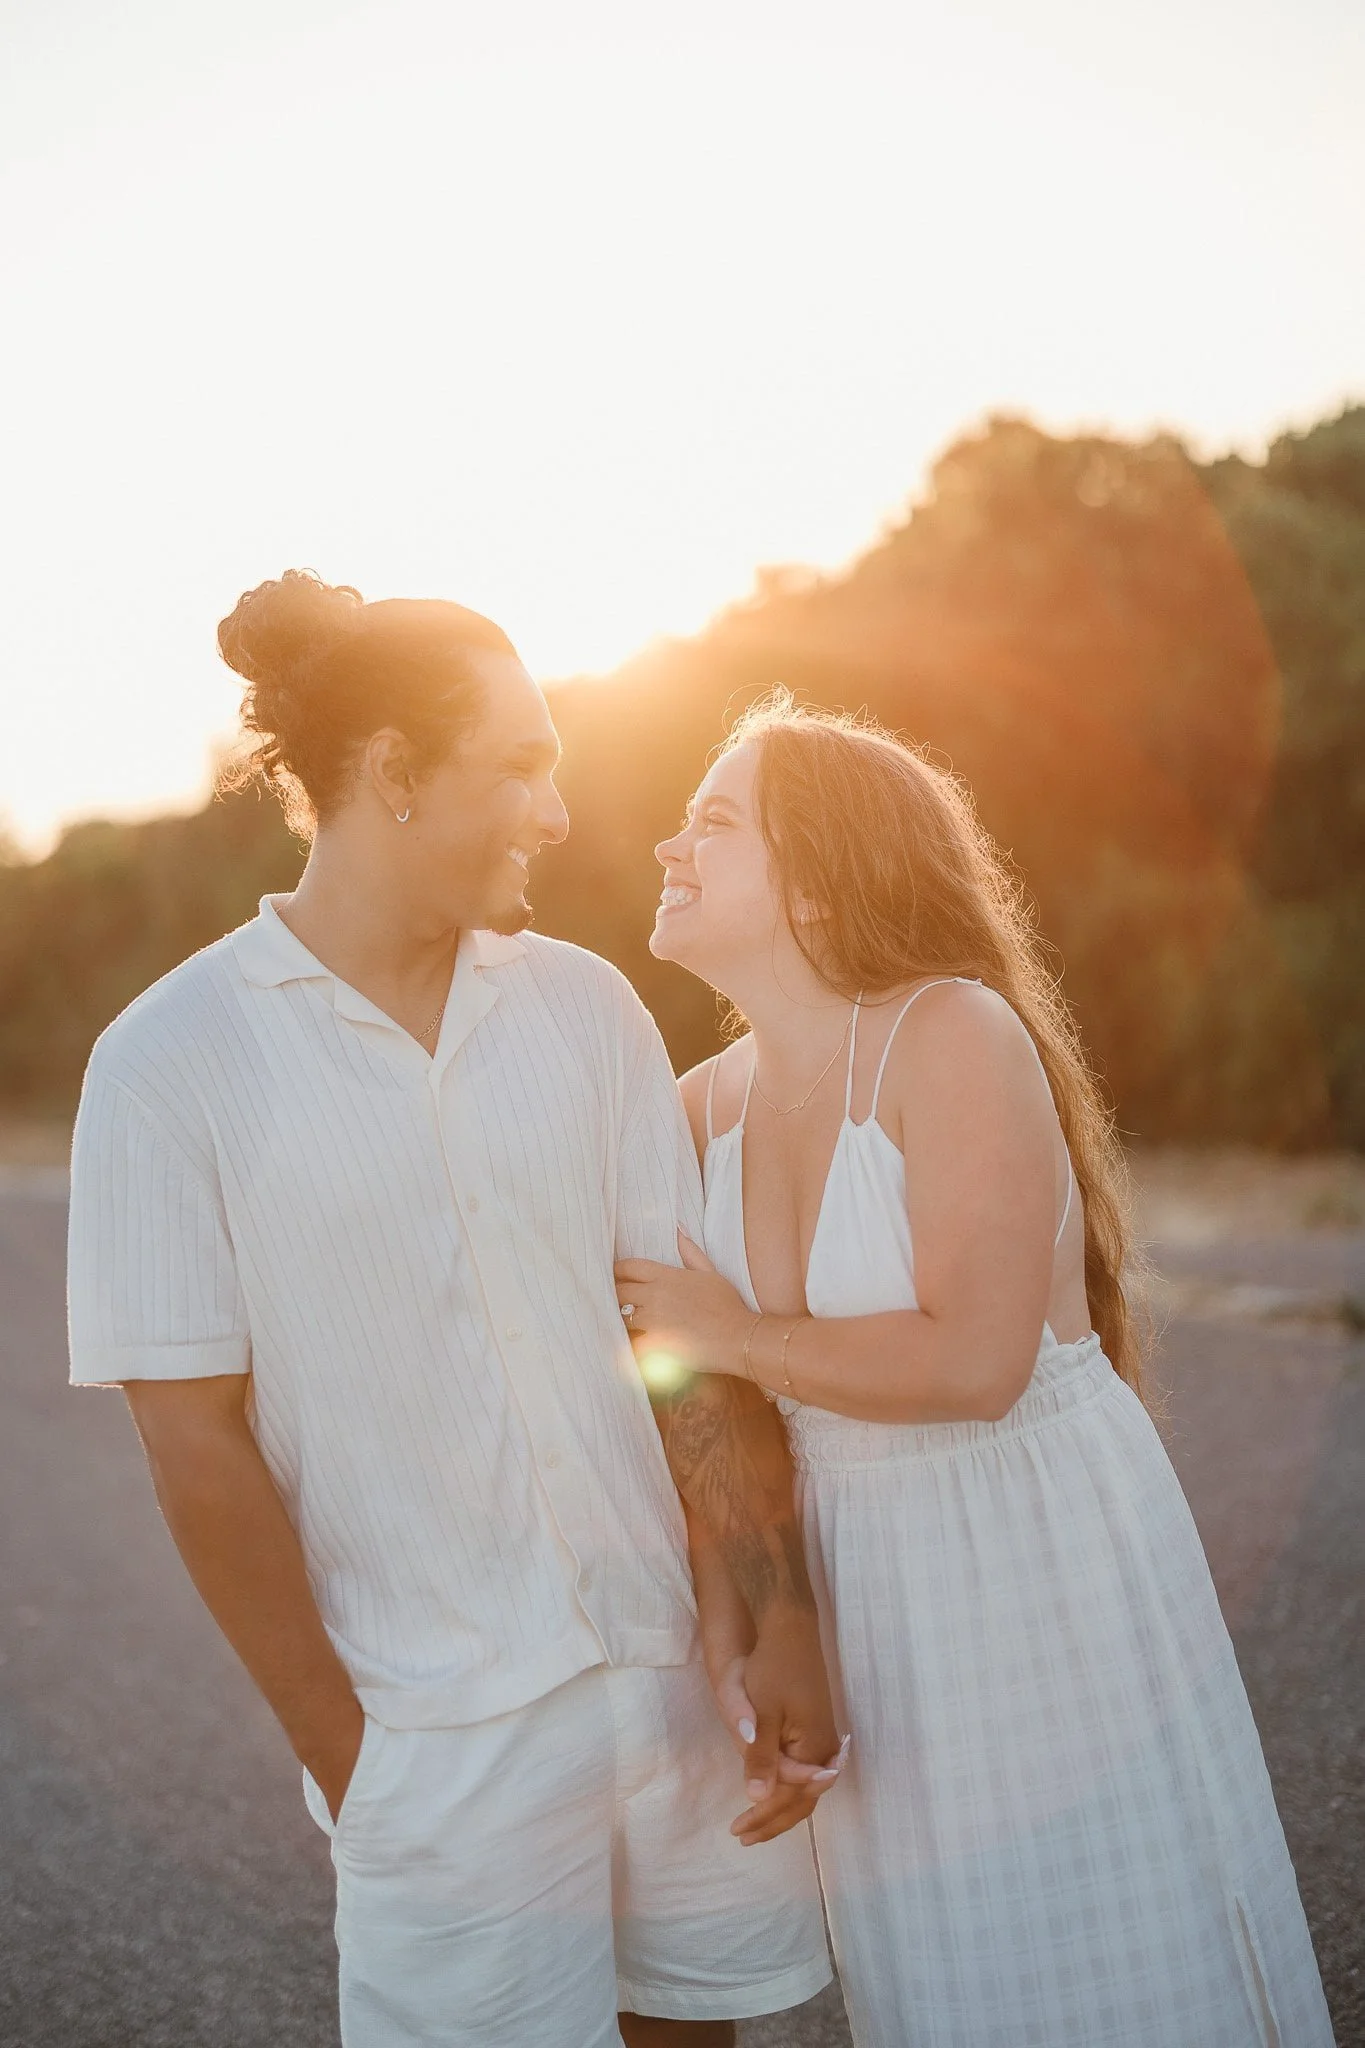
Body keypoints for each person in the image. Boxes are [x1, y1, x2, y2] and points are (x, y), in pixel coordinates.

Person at [67, 577, 839, 2048]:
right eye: (520, 769)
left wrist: (781, 1610)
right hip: (438, 1745)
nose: (556, 813)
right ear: (395, 777)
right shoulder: (166, 1062)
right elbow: (196, 1447)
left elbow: (679, 1338)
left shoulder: (588, 1008)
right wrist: (359, 1766)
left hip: (671, 1684)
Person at [614, 691, 1335, 2048]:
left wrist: (729, 1332)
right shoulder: (692, 1108)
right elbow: (686, 1390)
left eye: (715, 823)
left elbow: (979, 1359)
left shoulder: (949, 1035)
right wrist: (753, 1616)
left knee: (1107, 1955)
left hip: (1025, 1546)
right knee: (944, 1984)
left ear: (821, 888)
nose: (667, 847)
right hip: (859, 1568)